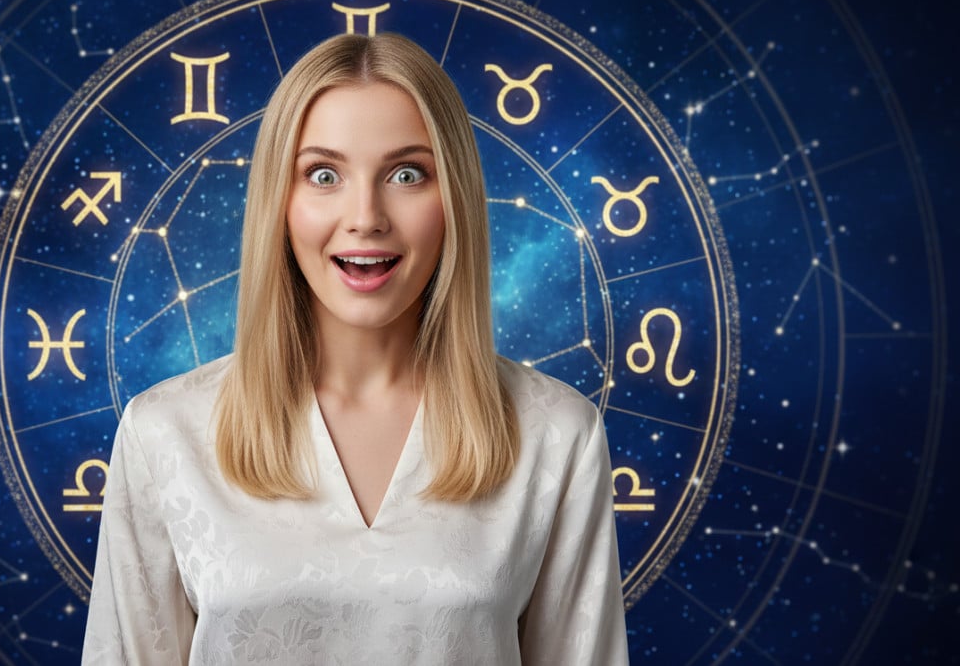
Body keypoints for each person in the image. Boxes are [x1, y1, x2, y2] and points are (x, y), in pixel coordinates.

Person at [82, 33, 628, 665]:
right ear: (278, 204)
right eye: (323, 174)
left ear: (454, 199)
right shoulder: (163, 435)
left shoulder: (556, 436)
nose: (365, 215)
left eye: (406, 174)